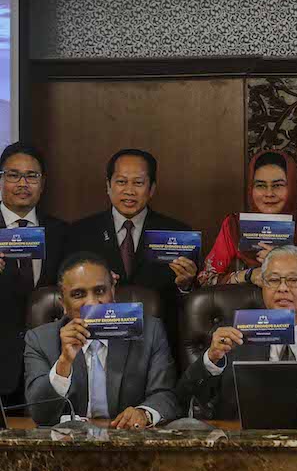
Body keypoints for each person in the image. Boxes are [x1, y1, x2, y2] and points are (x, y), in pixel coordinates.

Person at [176, 246, 297, 420]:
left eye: (294, 280)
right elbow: (185, 397)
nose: (283, 288)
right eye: (274, 280)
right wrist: (212, 359)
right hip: (245, 444)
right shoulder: (233, 337)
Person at [23, 252, 179, 428]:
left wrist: (144, 413)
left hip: (128, 441)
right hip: (68, 445)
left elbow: (165, 395)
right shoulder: (40, 340)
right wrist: (64, 362)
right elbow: (40, 415)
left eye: (99, 291)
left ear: (112, 291)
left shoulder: (150, 331)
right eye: (78, 294)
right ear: (63, 304)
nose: (92, 302)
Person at [65, 149, 195, 348]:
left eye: (138, 183)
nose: (129, 191)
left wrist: (185, 285)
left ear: (151, 189)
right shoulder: (80, 233)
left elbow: (188, 305)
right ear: (108, 186)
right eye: (121, 182)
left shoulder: (178, 233)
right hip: (96, 340)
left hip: (157, 343)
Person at [198, 150, 297, 287]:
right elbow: (205, 280)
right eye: (260, 185)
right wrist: (249, 275)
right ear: (251, 188)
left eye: (278, 185)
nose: (269, 193)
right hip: (241, 307)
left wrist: (286, 263)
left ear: (292, 188)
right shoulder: (234, 227)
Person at [0, 142, 68, 404]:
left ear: (43, 183)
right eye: (13, 175)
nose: (22, 183)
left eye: (31, 176)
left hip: (48, 367)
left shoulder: (62, 232)